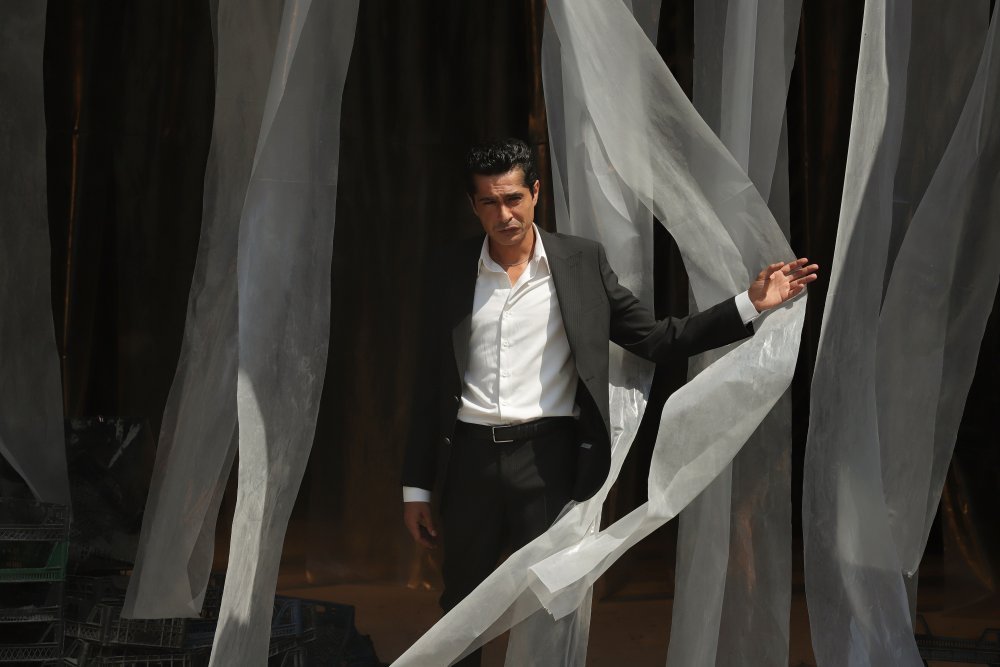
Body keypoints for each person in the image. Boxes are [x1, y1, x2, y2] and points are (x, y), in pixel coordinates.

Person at [401, 138, 817, 666]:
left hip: (548, 462)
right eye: (489, 202)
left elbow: (657, 339)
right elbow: (429, 381)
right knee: (462, 610)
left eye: (513, 199)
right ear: (473, 205)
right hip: (469, 463)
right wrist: (416, 487)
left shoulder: (580, 262)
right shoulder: (449, 269)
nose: (504, 215)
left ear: (535, 193)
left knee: (550, 609)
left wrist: (749, 304)